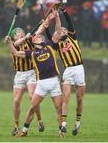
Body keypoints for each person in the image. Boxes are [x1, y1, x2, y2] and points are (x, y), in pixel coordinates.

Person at [5, 9, 64, 137]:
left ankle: (58, 129)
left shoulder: (49, 45)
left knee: (58, 107)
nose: (36, 37)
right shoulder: (30, 52)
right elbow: (15, 51)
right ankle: (22, 129)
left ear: (41, 40)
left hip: (51, 80)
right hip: (36, 80)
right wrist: (9, 42)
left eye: (38, 37)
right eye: (18, 33)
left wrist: (54, 17)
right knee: (27, 105)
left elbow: (56, 32)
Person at [5, 27, 44, 136]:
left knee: (32, 97)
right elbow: (16, 44)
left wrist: (43, 25)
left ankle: (40, 120)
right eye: (18, 33)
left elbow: (38, 34)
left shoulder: (29, 41)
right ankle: (16, 125)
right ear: (13, 36)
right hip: (19, 75)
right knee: (16, 101)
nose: (21, 34)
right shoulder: (13, 43)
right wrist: (9, 40)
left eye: (22, 32)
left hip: (31, 72)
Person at [57, 7, 86, 135]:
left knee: (79, 98)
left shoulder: (72, 36)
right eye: (60, 30)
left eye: (64, 30)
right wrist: (46, 24)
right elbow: (48, 34)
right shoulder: (57, 44)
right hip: (68, 70)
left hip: (79, 69)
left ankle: (77, 123)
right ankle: (63, 124)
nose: (62, 30)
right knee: (66, 96)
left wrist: (64, 12)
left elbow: (69, 23)